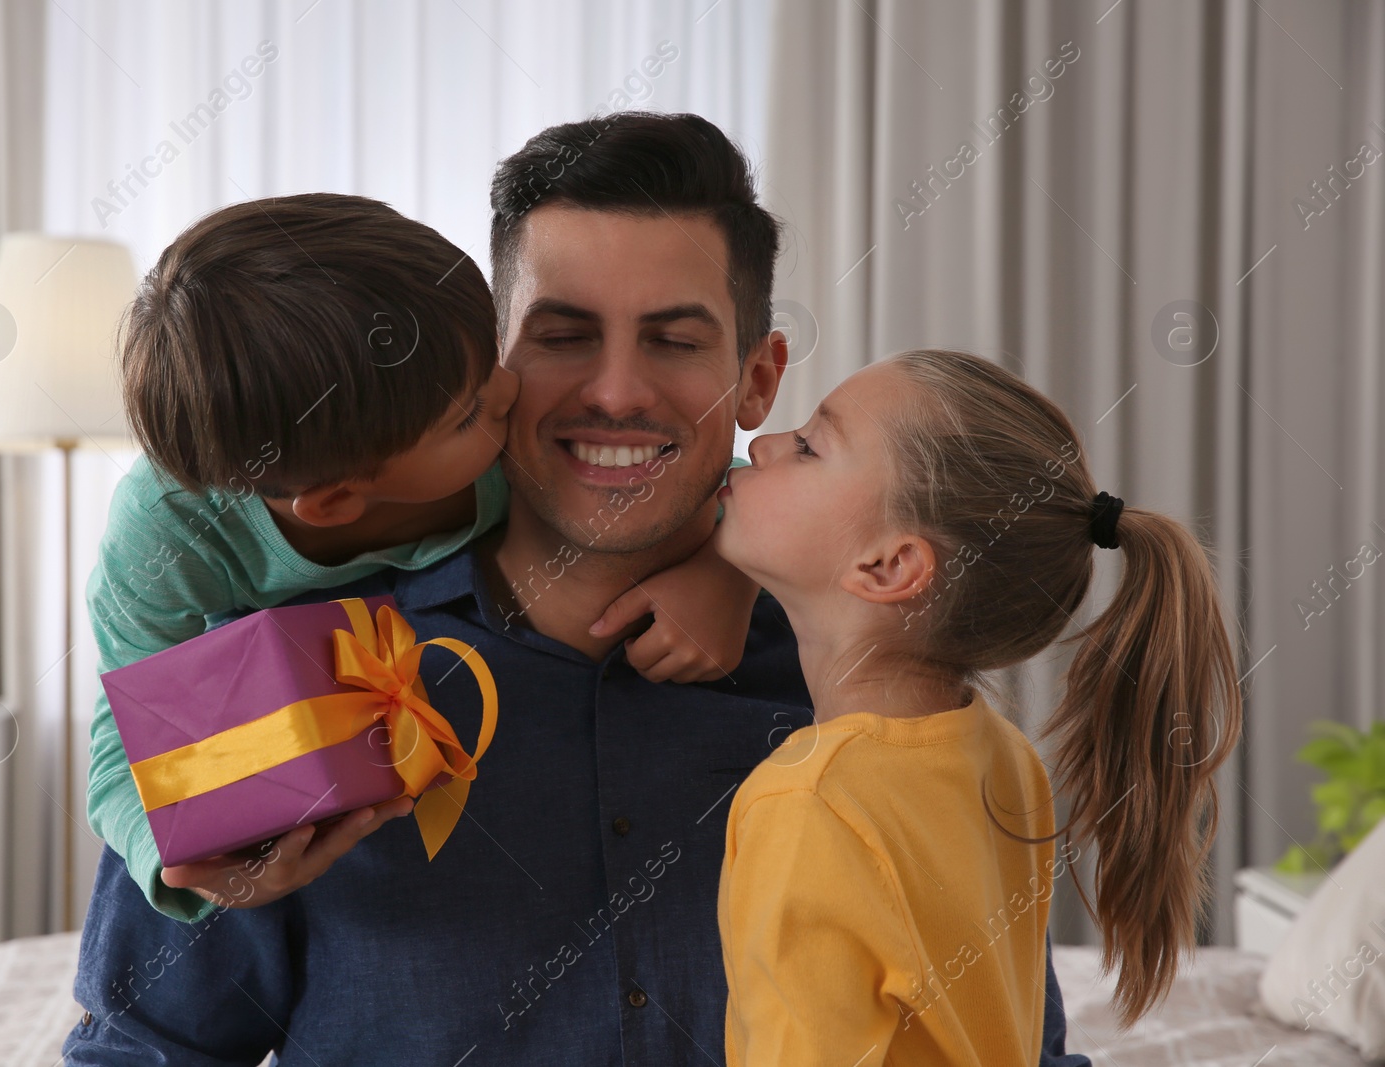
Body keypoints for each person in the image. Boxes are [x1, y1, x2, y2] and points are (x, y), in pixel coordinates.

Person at [64, 113, 1090, 1066]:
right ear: (491, 368)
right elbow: (138, 1049)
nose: (614, 392)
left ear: (758, 379)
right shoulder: (282, 678)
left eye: (674, 340)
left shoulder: (886, 707)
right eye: (560, 336)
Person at [85, 192, 758, 920]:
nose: (509, 389)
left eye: (489, 353)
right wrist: (186, 866)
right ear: (338, 501)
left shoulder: (508, 444)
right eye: (467, 411)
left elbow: (705, 466)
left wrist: (729, 569)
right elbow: (125, 745)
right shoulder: (164, 539)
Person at [715, 350, 1241, 1063]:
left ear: (889, 566)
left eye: (809, 445)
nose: (766, 442)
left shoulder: (805, 804)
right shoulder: (1002, 756)